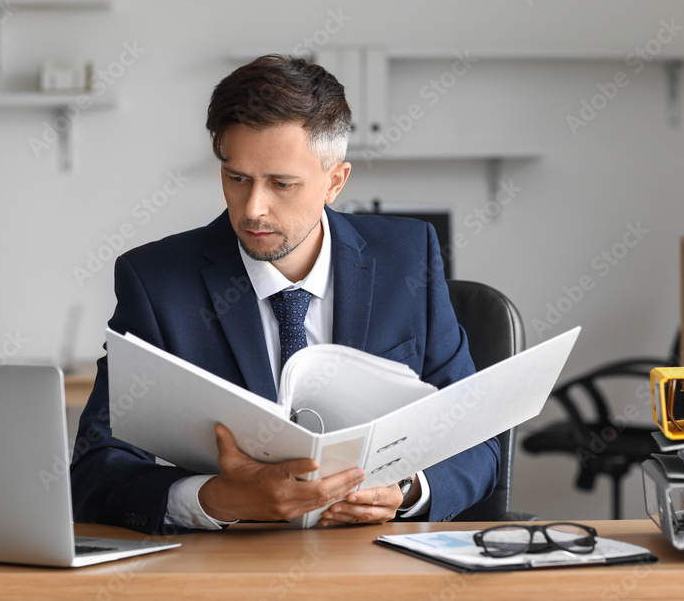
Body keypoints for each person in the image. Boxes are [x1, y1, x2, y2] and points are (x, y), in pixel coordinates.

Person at [70, 55, 499, 533]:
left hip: (375, 563)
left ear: (335, 181)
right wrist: (215, 498)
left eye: (281, 184)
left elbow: (476, 441)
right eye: (237, 178)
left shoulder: (408, 259)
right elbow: (94, 471)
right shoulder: (155, 282)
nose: (253, 208)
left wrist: (408, 491)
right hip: (228, 572)